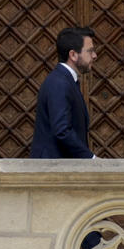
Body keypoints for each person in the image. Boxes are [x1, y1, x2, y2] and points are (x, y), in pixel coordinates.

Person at [29, 26, 96, 159]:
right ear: (73, 55)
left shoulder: (65, 80)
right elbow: (62, 131)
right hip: (53, 171)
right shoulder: (59, 83)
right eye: (90, 51)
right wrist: (90, 158)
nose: (94, 56)